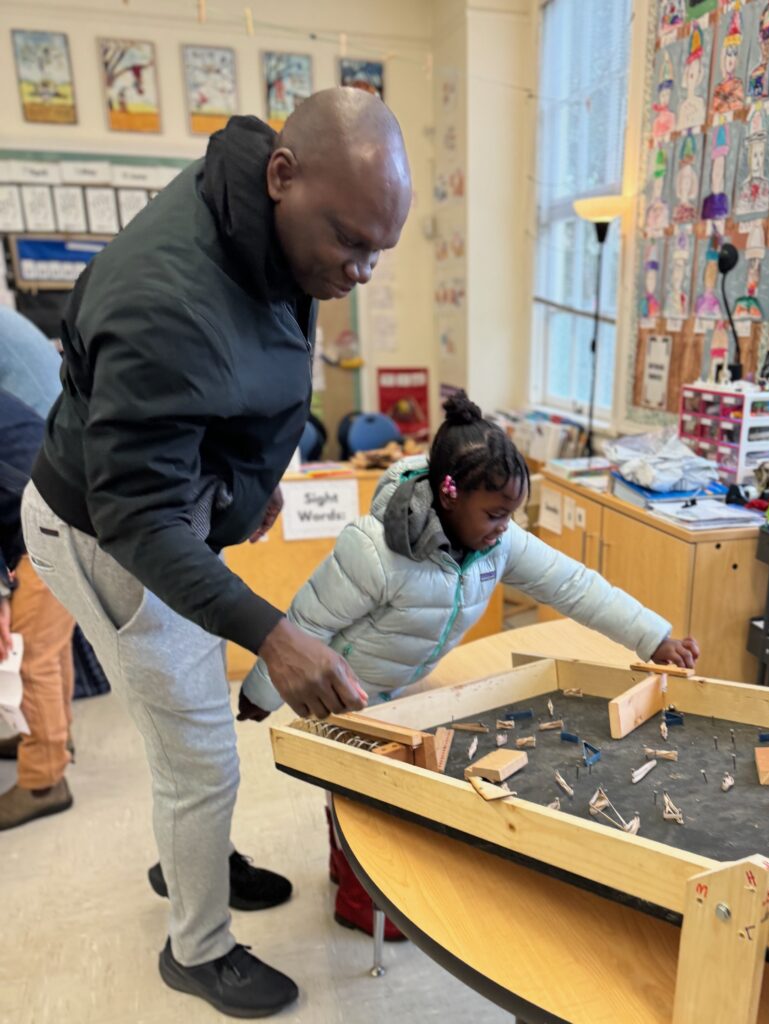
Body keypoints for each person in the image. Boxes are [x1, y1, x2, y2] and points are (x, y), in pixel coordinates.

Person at [21, 87, 412, 1018]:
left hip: (164, 511)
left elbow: (235, 383)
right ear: (282, 175)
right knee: (199, 754)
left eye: (378, 251)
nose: (360, 272)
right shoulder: (166, 302)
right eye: (350, 243)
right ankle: (196, 949)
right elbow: (137, 521)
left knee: (190, 737)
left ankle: (194, 854)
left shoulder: (270, 223)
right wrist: (274, 635)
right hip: (105, 535)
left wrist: (248, 480)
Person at [241, 391, 702, 932]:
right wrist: (261, 691)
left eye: (511, 514)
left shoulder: (497, 542)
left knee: (366, 794)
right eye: (495, 514)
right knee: (362, 796)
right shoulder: (373, 551)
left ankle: (345, 872)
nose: (505, 526)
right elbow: (305, 623)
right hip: (346, 686)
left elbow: (574, 585)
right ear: (449, 495)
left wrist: (654, 638)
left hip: (401, 679)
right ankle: (358, 904)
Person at [0, 389, 76, 830]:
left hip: (45, 524)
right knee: (50, 646)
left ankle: (43, 780)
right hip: (64, 511)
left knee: (29, 655)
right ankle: (53, 738)